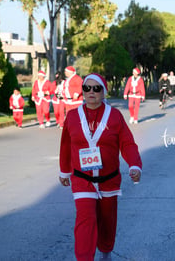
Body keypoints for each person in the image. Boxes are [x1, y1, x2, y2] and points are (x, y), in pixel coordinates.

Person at [59, 73, 142, 261]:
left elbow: (127, 143)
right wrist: (64, 170)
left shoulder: (114, 116)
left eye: (96, 89)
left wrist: (134, 165)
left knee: (107, 219)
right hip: (82, 179)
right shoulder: (72, 116)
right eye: (86, 88)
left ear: (103, 92)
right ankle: (84, 258)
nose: (91, 92)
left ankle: (105, 251)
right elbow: (65, 145)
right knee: (85, 219)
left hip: (109, 179)